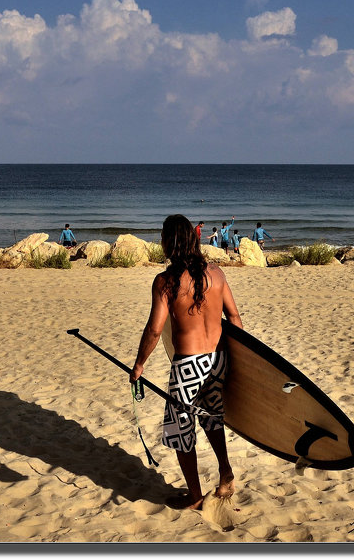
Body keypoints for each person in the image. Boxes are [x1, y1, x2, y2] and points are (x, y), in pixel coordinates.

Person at [131, 214, 243, 510]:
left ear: (169, 242)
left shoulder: (166, 282)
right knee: (211, 418)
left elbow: (155, 329)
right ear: (193, 240)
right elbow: (233, 316)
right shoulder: (216, 273)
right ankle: (226, 474)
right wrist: (240, 361)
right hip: (218, 359)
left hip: (188, 365)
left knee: (181, 430)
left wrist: (139, 364)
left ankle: (194, 497)